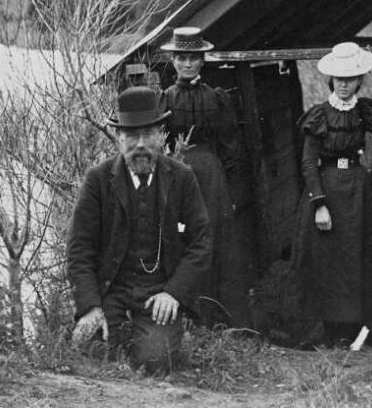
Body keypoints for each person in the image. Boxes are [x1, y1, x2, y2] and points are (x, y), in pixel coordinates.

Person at [67, 86, 211, 373]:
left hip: (158, 293)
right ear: (119, 139)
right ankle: (114, 334)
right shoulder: (98, 180)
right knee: (90, 350)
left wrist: (173, 293)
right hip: (112, 292)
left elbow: (201, 242)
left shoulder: (182, 178)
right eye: (132, 136)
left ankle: (151, 338)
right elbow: (79, 249)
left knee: (154, 360)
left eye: (148, 135)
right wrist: (91, 307)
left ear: (161, 136)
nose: (140, 144)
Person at [295, 41, 372, 344]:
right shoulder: (319, 115)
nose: (344, 85)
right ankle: (329, 330)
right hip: (328, 190)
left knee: (357, 258)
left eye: (350, 79)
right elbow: (308, 162)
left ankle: (355, 329)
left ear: (360, 80)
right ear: (331, 80)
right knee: (328, 260)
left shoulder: (365, 111)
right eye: (339, 79)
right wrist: (319, 205)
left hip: (359, 190)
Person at [158, 26, 252, 328]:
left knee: (215, 240)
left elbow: (232, 152)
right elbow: (159, 145)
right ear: (173, 61)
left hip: (211, 177)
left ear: (203, 61)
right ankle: (184, 315)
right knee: (180, 239)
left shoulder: (217, 99)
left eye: (194, 58)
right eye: (182, 58)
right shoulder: (164, 99)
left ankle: (218, 318)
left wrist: (233, 196)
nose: (188, 64)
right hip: (176, 174)